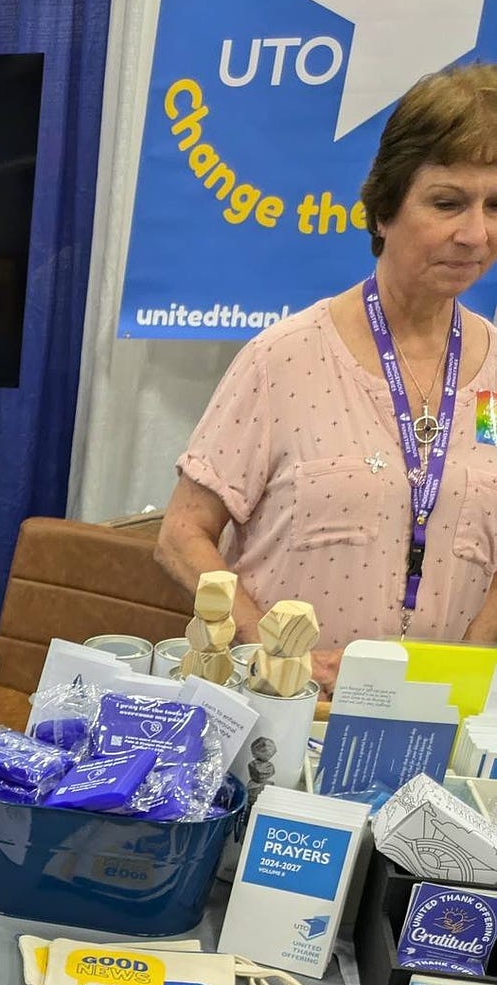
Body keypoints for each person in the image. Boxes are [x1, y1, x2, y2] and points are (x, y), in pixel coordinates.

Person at [157, 65, 497, 694]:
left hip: (439, 723)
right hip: (285, 715)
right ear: (384, 210)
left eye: (494, 205)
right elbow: (182, 537)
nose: (475, 234)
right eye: (447, 202)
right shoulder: (282, 359)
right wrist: (276, 652)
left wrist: (468, 678)